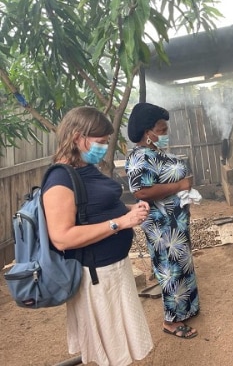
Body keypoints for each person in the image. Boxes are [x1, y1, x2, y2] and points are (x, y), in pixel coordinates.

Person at [42, 106, 153, 365]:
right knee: (112, 347)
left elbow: (96, 210)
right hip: (96, 277)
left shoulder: (85, 166)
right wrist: (121, 222)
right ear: (78, 137)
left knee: (120, 341)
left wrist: (129, 210)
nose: (104, 147)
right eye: (100, 142)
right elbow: (62, 237)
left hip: (114, 268)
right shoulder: (59, 180)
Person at [125, 102, 200, 339]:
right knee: (169, 270)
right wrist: (180, 185)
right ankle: (171, 322)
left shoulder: (157, 153)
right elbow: (141, 192)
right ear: (148, 132)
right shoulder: (139, 157)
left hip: (176, 223)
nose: (165, 134)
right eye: (161, 129)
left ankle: (186, 309)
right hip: (162, 227)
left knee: (183, 266)